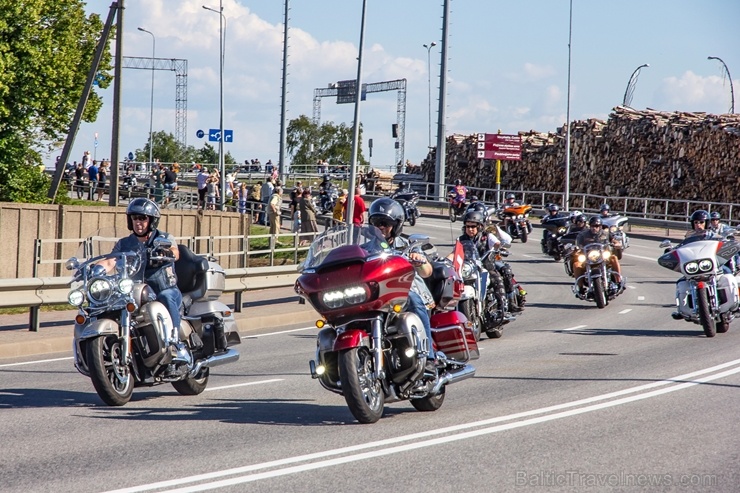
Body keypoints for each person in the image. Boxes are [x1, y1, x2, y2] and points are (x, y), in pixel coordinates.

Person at [99, 198, 184, 365]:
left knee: (166, 296)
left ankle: (176, 343)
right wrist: (94, 269)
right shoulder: (124, 244)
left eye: (142, 218)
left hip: (164, 289)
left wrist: (166, 252)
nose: (138, 222)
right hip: (136, 291)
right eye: (135, 218)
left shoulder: (164, 238)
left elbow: (176, 252)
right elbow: (110, 261)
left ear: (151, 220)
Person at [368, 198, 437, 372]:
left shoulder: (408, 245)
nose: (381, 227)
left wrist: (419, 261)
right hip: (378, 296)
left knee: (412, 300)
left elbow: (427, 272)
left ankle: (429, 356)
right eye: (376, 223)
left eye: (385, 223)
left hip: (403, 292)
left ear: (397, 225)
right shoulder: (365, 249)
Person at [449, 210, 512, 322]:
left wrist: (500, 246)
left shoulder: (488, 237)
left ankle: (503, 309)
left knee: (497, 279)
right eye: (468, 226)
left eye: (473, 226)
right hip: (469, 269)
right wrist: (445, 260)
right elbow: (455, 253)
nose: (470, 229)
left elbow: (499, 244)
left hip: (487, 267)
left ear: (480, 226)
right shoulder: (461, 239)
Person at [572, 216, 624, 294]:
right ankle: (580, 288)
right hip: (587, 258)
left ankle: (619, 282)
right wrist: (576, 248)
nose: (594, 228)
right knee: (576, 264)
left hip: (603, 257)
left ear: (600, 226)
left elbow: (613, 240)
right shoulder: (583, 235)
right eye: (592, 226)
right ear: (589, 226)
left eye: (596, 226)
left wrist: (617, 243)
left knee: (614, 258)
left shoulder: (606, 234)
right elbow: (578, 244)